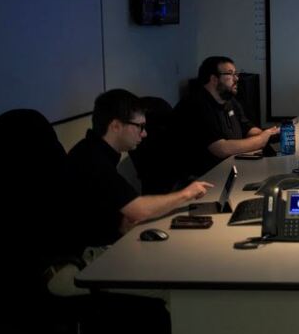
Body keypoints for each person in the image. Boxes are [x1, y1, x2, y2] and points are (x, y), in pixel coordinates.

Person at [65, 89, 213, 253]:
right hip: (88, 256)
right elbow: (138, 209)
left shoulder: (93, 150)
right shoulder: (92, 159)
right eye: (140, 126)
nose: (145, 133)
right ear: (116, 126)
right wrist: (187, 193)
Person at [174, 56, 280, 176]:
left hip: (228, 168)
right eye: (230, 74)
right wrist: (261, 139)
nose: (236, 79)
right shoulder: (195, 106)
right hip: (202, 178)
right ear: (214, 79)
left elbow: (247, 128)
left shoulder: (229, 100)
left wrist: (272, 133)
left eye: (236, 74)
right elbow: (222, 149)